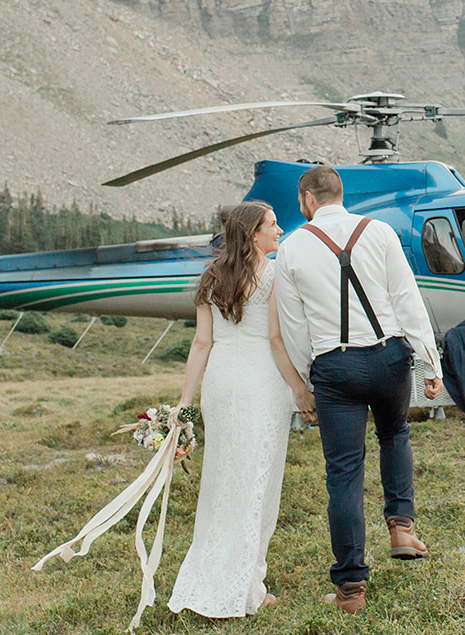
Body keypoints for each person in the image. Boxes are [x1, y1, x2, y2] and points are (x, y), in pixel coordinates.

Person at [271, 164, 445, 615]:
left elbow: (294, 327)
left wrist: (309, 382)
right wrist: (430, 360)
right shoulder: (381, 231)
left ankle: (351, 590)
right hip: (389, 357)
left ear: (308, 199)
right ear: (339, 193)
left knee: (343, 474)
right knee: (395, 434)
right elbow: (408, 298)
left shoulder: (290, 249)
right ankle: (402, 527)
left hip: (334, 365)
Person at [166, 201, 318, 619]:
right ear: (253, 234)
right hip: (260, 383)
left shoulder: (211, 276)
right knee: (258, 482)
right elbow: (275, 340)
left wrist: (185, 402)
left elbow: (201, 343)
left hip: (219, 382)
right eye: (272, 225)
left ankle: (219, 576)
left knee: (222, 479)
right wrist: (301, 392)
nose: (280, 230)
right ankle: (246, 587)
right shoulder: (271, 276)